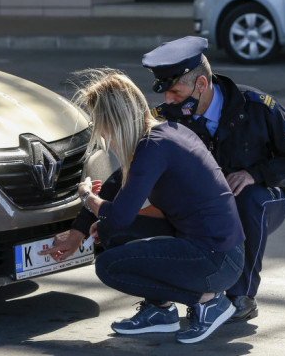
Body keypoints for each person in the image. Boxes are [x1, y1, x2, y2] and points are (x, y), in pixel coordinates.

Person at [39, 68, 246, 344]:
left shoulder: (152, 148)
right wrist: (82, 229)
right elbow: (116, 193)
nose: (102, 135)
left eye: (102, 125)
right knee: (110, 231)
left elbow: (119, 215)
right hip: (221, 251)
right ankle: (160, 312)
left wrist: (87, 195)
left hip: (217, 260)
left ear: (115, 120)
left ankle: (208, 302)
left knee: (109, 267)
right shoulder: (166, 133)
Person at [141, 36, 285, 323]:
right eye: (165, 93)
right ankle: (162, 298)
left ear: (201, 85)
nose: (168, 100)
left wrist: (255, 174)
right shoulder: (166, 117)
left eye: (175, 91)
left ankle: (241, 296)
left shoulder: (257, 106)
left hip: (264, 198)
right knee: (162, 206)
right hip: (205, 203)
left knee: (248, 198)